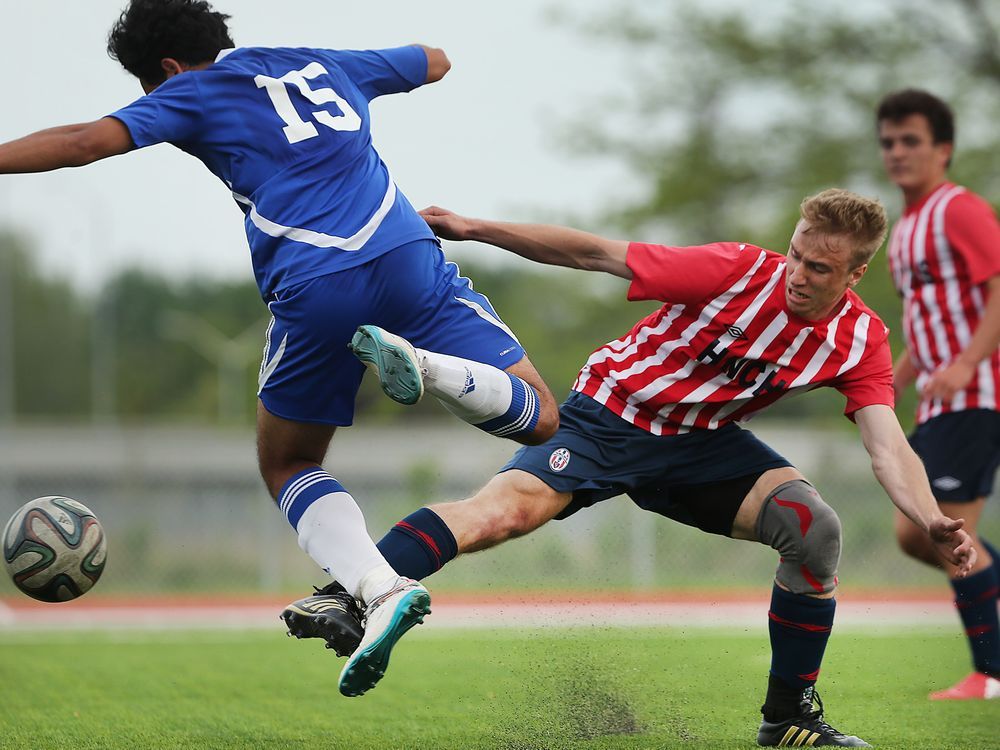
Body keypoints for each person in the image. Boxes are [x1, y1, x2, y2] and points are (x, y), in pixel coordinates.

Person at [0, 0, 558, 697]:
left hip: (318, 284)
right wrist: (390, 71)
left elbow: (87, 140)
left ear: (168, 70)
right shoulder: (318, 62)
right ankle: (431, 369)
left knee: (288, 462)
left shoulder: (191, 90)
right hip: (408, 256)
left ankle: (379, 589)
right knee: (539, 416)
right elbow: (434, 60)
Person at [292, 189, 977, 746]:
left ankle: (789, 718)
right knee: (500, 515)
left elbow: (887, 443)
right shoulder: (736, 270)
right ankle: (347, 589)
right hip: (607, 415)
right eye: (796, 254)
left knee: (813, 529)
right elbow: (595, 254)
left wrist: (928, 516)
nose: (797, 275)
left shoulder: (861, 341)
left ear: (857, 274)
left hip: (700, 446)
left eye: (819, 269)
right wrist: (473, 227)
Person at [876, 88, 1000, 701]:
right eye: (889, 142)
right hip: (937, 403)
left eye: (911, 141)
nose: (897, 152)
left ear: (942, 149)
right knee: (914, 533)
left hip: (976, 395)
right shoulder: (903, 231)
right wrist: (890, 382)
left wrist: (970, 359)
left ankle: (991, 675)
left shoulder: (959, 210)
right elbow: (924, 324)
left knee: (950, 536)